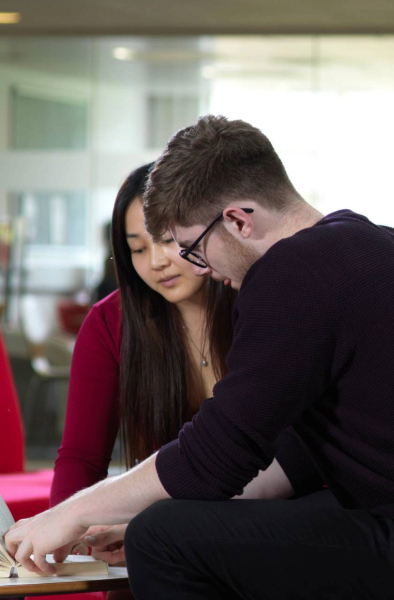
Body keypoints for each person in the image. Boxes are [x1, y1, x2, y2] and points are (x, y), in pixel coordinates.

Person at [4, 116, 394, 599]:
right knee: (169, 525)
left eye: (196, 248)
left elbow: (218, 454)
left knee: (163, 539)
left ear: (240, 219)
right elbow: (293, 459)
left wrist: (71, 512)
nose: (203, 271)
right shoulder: (390, 245)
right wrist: (144, 512)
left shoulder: (291, 275)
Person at [51, 163, 317, 568]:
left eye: (166, 241)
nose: (155, 262)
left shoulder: (265, 303)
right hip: (167, 530)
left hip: (278, 518)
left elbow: (301, 450)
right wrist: (64, 534)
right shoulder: (111, 323)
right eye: (137, 249)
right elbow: (81, 457)